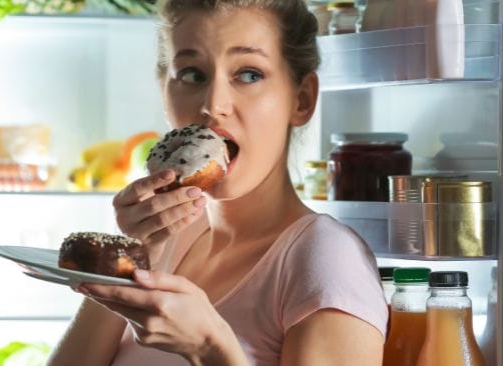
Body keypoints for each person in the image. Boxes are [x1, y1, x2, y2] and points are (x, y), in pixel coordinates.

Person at [47, 0, 387, 365]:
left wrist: (211, 349)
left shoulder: (324, 260)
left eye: (249, 74)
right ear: (165, 93)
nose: (213, 104)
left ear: (301, 100)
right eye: (193, 74)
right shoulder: (171, 237)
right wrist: (128, 262)